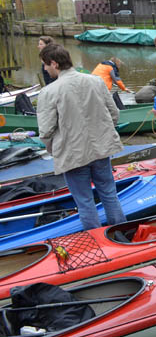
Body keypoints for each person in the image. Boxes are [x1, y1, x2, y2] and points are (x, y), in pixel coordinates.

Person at [37, 44, 126, 231]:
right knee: (110, 194)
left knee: (85, 202)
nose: (44, 69)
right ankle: (121, 234)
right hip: (101, 149)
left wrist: (55, 150)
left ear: (54, 63)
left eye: (45, 65)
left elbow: (45, 131)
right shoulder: (96, 81)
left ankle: (97, 243)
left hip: (73, 154)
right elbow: (114, 114)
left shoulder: (48, 92)